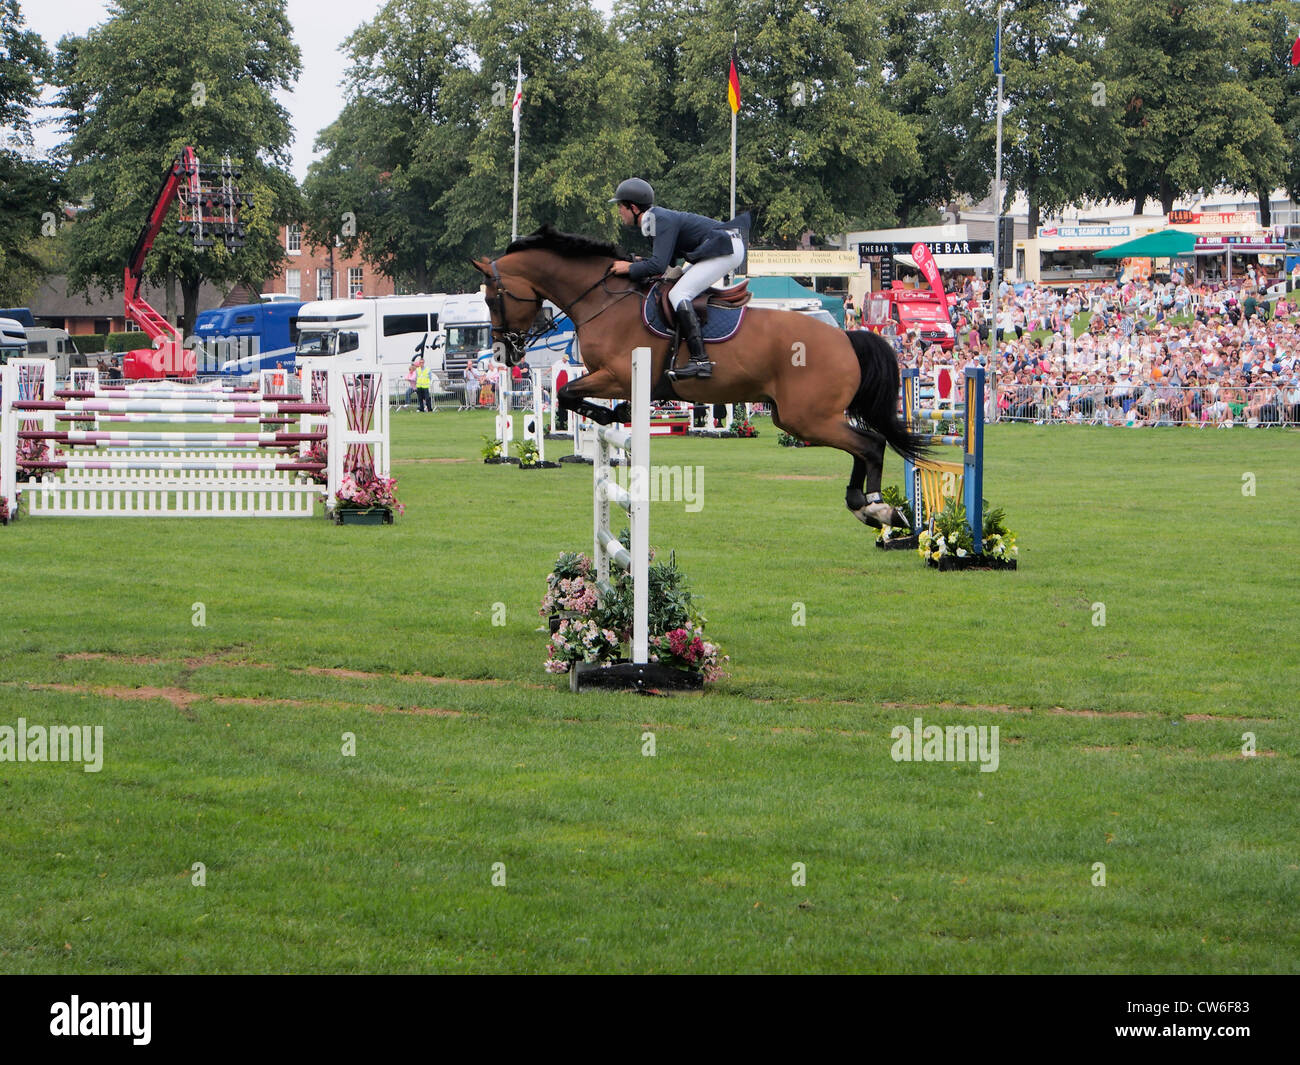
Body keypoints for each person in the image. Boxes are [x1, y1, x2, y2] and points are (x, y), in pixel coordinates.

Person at [607, 177, 747, 380]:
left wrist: (629, 268)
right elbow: (665, 263)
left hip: (727, 247)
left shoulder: (659, 219)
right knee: (675, 286)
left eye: (621, 206)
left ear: (634, 207)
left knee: (679, 293)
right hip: (717, 246)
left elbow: (657, 265)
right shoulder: (653, 221)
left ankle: (701, 360)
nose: (619, 211)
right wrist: (635, 262)